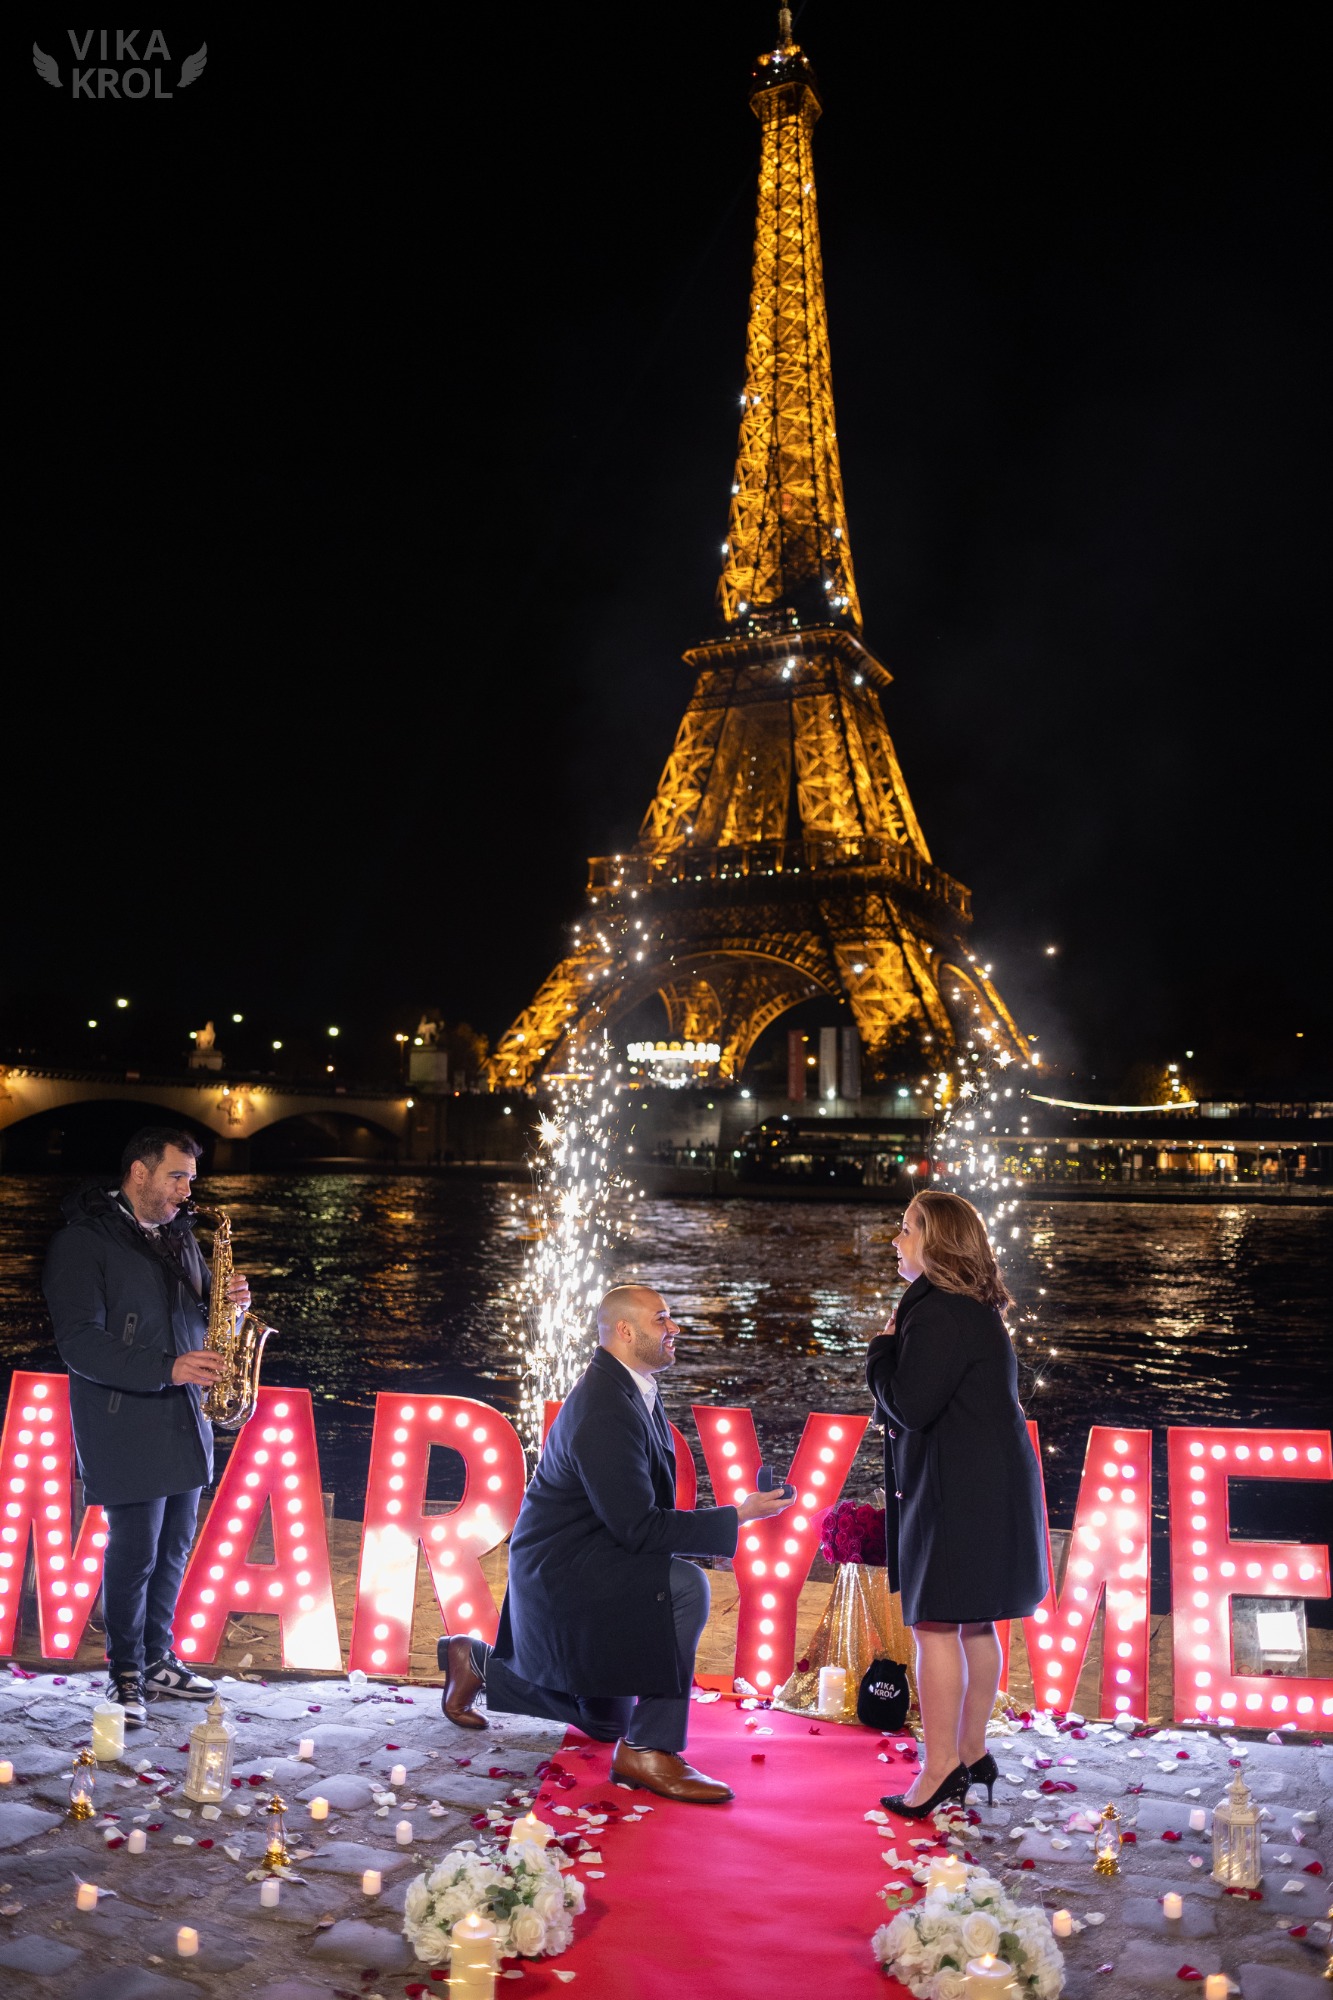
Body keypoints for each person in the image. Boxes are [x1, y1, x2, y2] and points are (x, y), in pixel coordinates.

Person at [437, 1285, 793, 1803]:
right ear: (625, 1330)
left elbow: (632, 1516)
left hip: (594, 1556)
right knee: (685, 1586)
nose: (674, 1328)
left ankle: (476, 1662)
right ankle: (650, 1750)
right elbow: (640, 1528)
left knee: (606, 1721)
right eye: (661, 1319)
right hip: (565, 1571)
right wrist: (738, 1515)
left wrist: (736, 1514)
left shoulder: (632, 1386)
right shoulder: (604, 1407)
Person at [42, 1128, 248, 1722]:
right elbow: (80, 1343)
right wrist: (168, 1367)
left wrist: (230, 1309)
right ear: (139, 1172)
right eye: (176, 1176)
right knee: (134, 1553)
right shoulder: (82, 1242)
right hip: (125, 1416)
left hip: (184, 1412)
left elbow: (198, 1325)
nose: (187, 1190)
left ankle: (158, 1659)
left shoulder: (181, 1238)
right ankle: (125, 1672)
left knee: (175, 1548)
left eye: (191, 1178)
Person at [865, 1190, 1047, 1818]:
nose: (896, 1239)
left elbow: (910, 1406)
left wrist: (879, 1351)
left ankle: (940, 1766)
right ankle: (972, 1753)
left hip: (958, 1492)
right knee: (974, 1620)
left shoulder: (937, 1312)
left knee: (936, 1624)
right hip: (985, 1487)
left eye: (907, 1228)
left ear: (936, 1241)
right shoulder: (970, 1308)